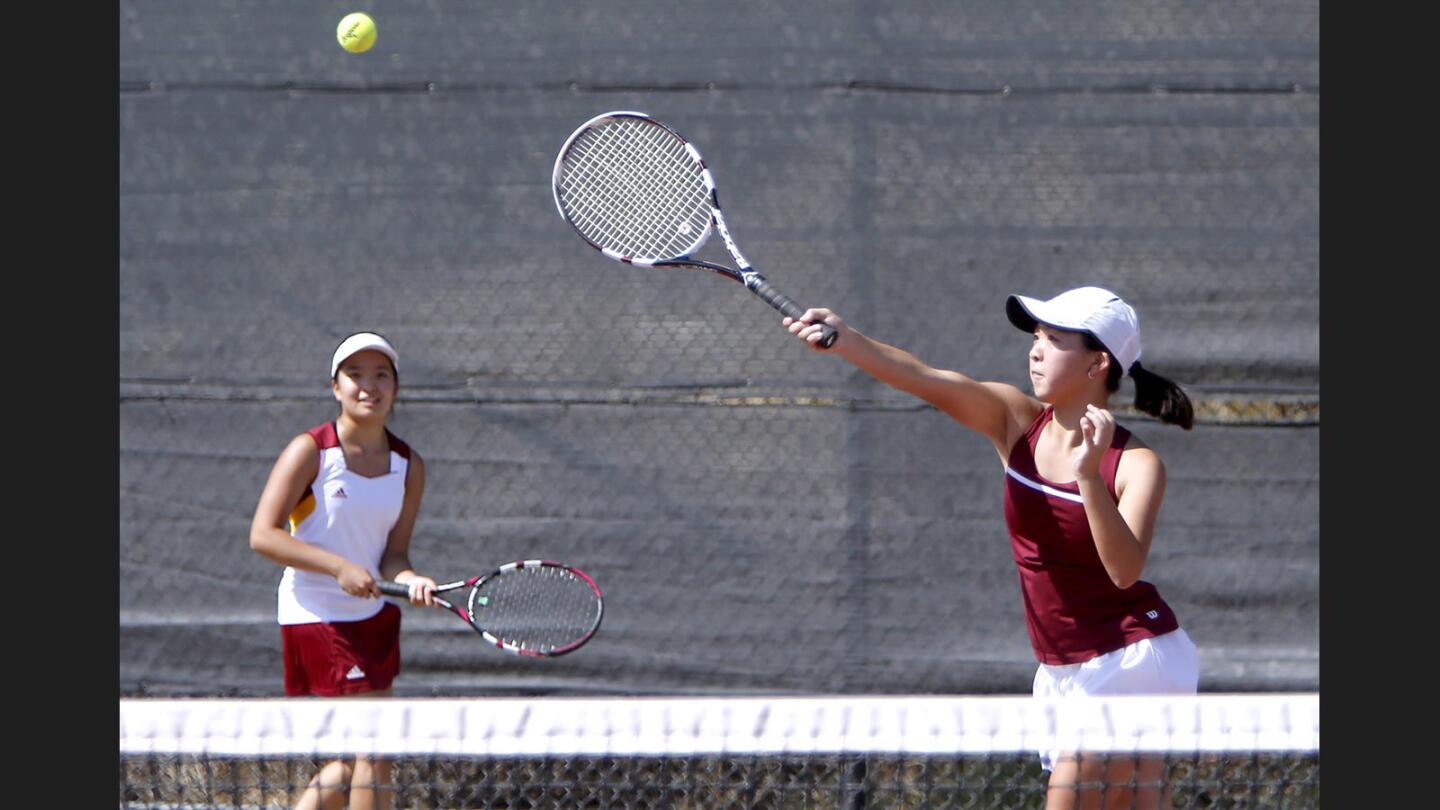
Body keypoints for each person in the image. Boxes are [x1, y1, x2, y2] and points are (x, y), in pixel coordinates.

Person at [785, 287, 1199, 810]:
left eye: (1055, 339)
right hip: (1061, 670)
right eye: (1036, 337)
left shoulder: (1137, 465)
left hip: (1133, 660)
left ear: (1098, 362)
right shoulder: (1014, 421)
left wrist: (1088, 476)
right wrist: (848, 341)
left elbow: (1123, 569)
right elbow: (926, 379)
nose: (1036, 349)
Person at [249, 331, 438, 810]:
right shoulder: (310, 451)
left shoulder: (407, 466)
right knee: (376, 749)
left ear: (395, 388)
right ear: (336, 387)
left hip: (372, 619)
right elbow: (264, 535)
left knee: (358, 764)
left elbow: (394, 554)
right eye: (354, 375)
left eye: (380, 375)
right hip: (315, 614)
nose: (367, 386)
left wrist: (411, 579)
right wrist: (338, 568)